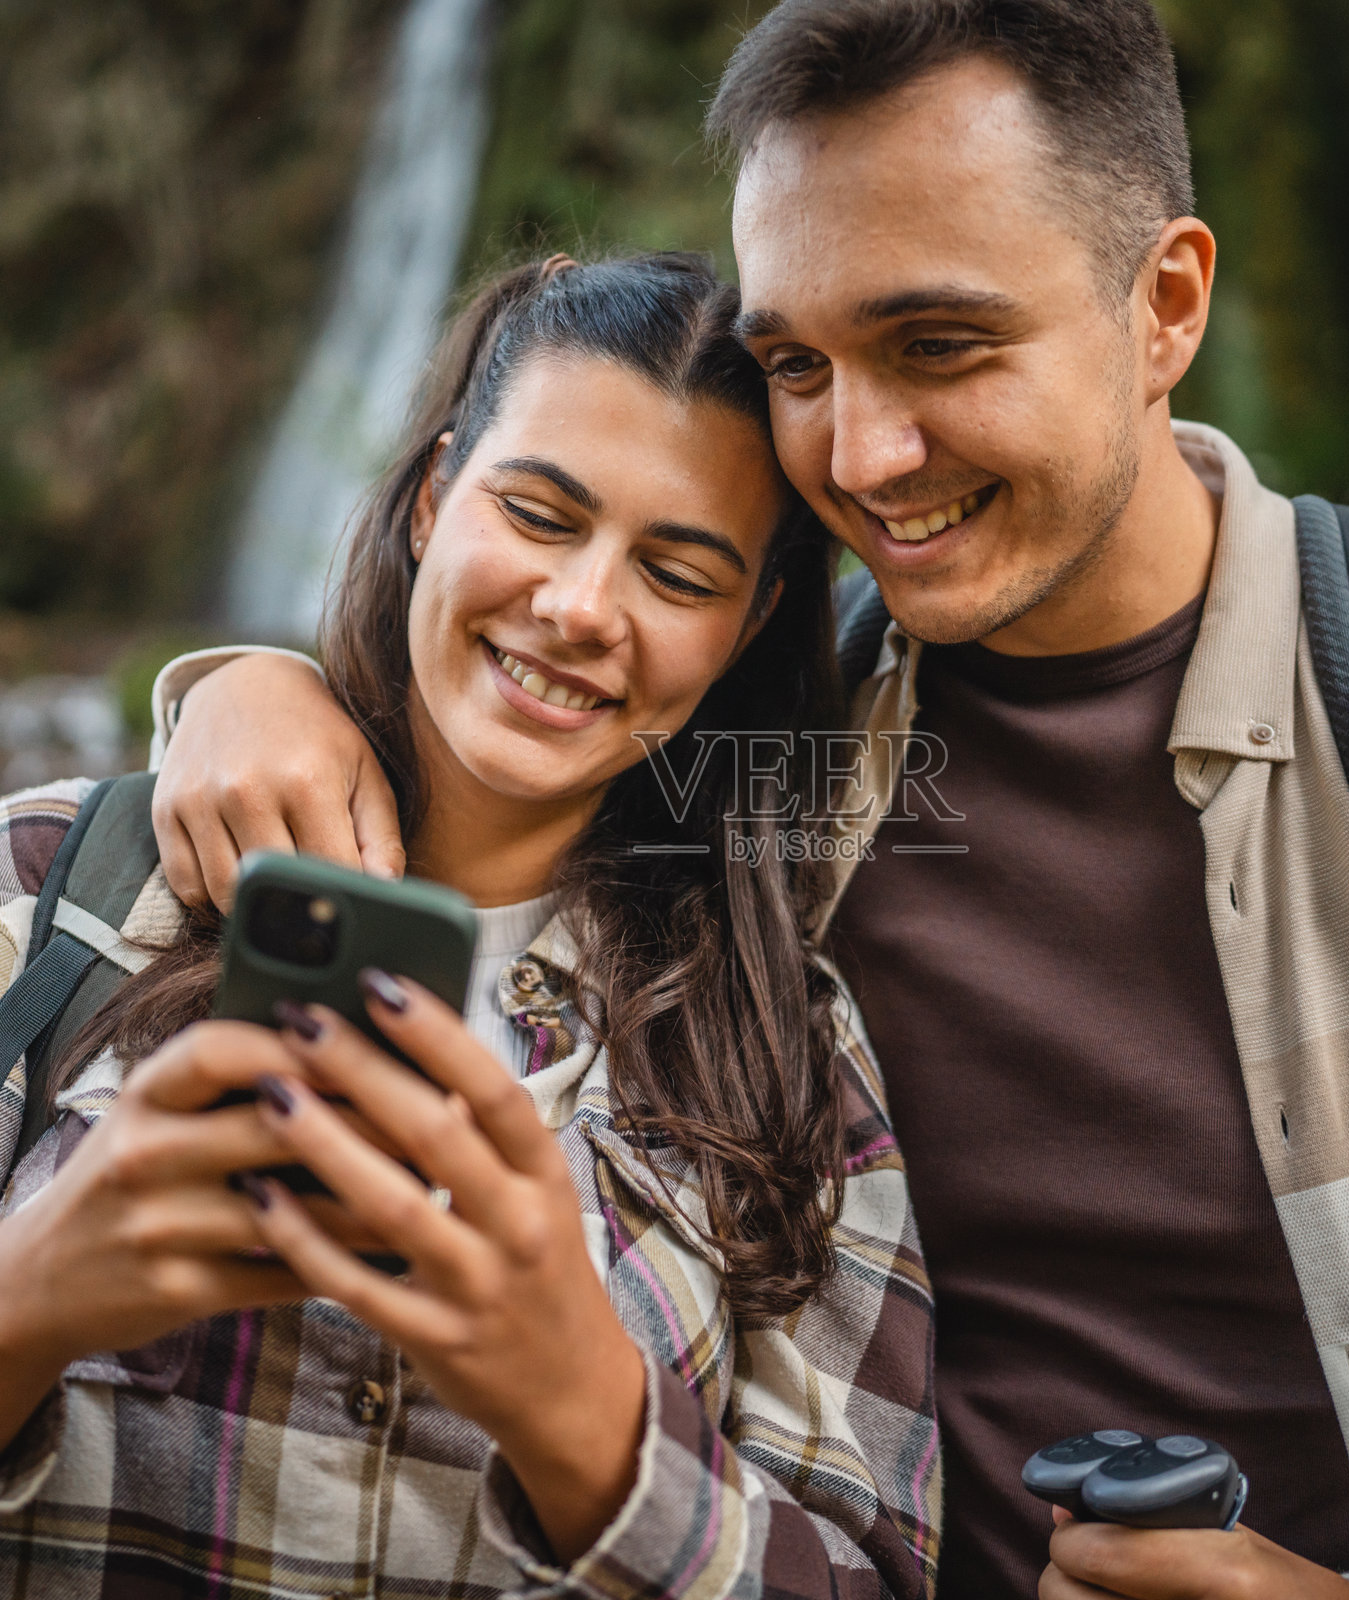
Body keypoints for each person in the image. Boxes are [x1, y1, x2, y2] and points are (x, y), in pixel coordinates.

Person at [142, 2, 1349, 1597]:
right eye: (794, 362)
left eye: (940, 346)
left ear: (1166, 303)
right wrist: (241, 689)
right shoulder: (765, 747)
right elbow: (495, 752)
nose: (862, 454)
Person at [0, 253, 940, 1598]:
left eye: (678, 577)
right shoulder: (53, 886)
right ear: (437, 494)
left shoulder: (785, 1053)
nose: (578, 608)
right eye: (539, 514)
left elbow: (877, 1578)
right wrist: (29, 1298)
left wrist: (586, 1419)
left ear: (750, 627)